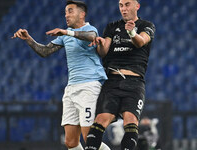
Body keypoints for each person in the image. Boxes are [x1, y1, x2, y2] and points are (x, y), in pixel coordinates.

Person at [12, 1, 110, 150]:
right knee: (70, 142)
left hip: (89, 86)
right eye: (65, 12)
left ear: (82, 14)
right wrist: (28, 39)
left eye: (70, 11)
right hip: (71, 88)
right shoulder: (65, 35)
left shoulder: (89, 29)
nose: (66, 15)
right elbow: (45, 51)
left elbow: (92, 36)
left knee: (89, 137)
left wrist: (67, 32)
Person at [85, 0, 156, 150]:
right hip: (112, 81)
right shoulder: (112, 27)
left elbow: (141, 41)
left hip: (134, 82)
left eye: (127, 4)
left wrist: (131, 32)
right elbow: (103, 52)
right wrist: (99, 43)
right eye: (121, 5)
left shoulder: (146, 26)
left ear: (137, 6)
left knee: (130, 121)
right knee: (100, 120)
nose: (123, 9)